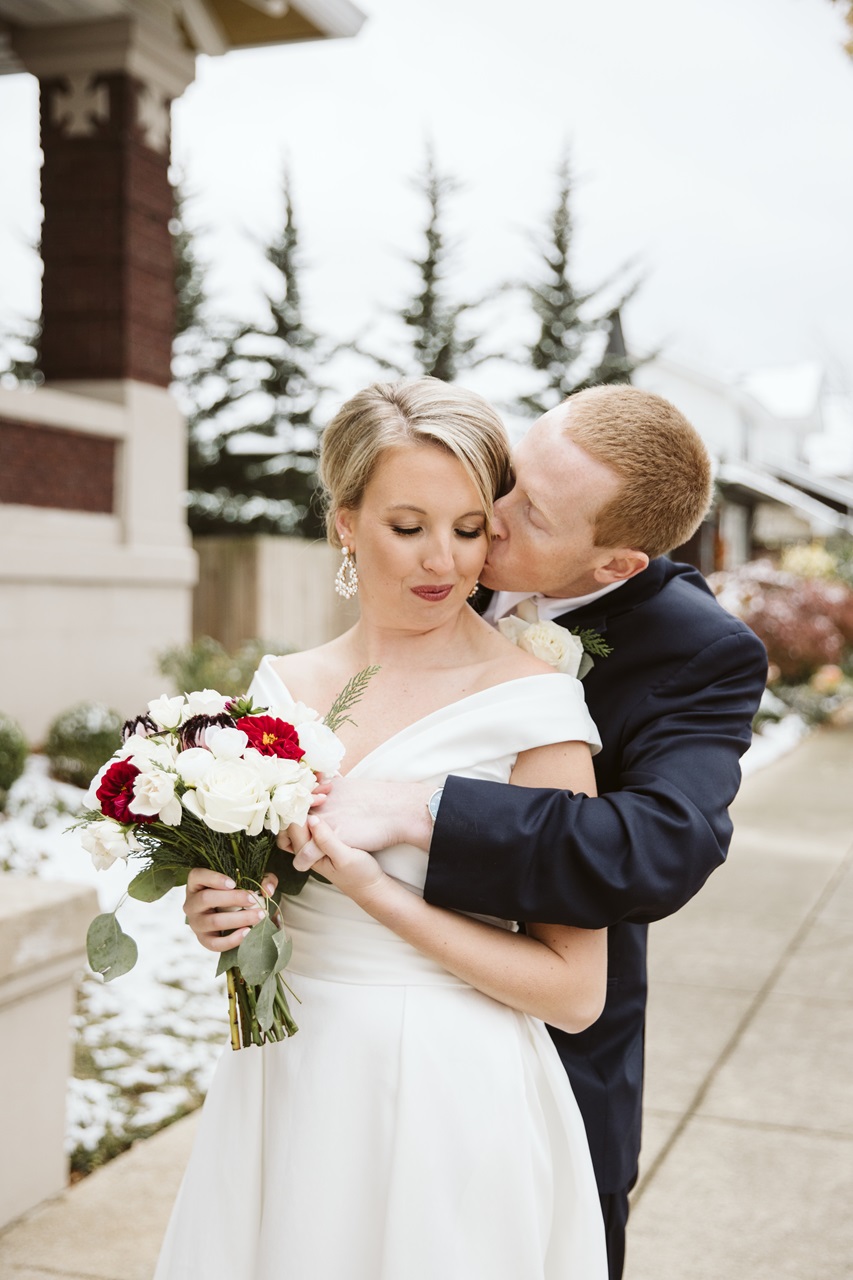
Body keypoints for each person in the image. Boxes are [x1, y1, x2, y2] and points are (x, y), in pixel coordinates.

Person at [257, 384, 769, 1280]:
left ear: (611, 564)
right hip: (324, 1050)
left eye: (525, 511)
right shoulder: (437, 550)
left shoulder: (694, 651)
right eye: (510, 472)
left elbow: (656, 845)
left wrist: (428, 807)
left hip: (531, 1053)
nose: (482, 517)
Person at [162, 378, 609, 1279]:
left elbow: (574, 992)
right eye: (407, 527)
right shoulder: (279, 689)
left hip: (453, 1091)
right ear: (344, 522)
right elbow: (264, 899)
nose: (440, 560)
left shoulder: (538, 708)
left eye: (469, 527)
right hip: (285, 1078)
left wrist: (379, 895)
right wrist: (217, 905)